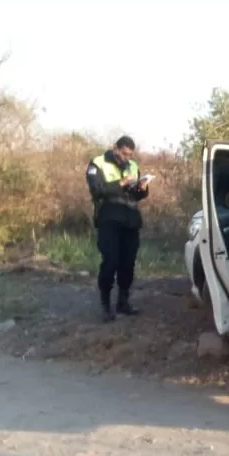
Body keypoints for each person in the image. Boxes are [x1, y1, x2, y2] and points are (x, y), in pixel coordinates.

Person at [86, 135, 150, 322]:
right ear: (115, 148)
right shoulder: (98, 164)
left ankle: (123, 302)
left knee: (128, 264)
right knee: (111, 262)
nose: (126, 158)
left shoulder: (133, 166)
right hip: (109, 221)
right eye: (124, 154)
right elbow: (97, 190)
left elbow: (136, 196)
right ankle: (106, 304)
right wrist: (120, 183)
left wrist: (142, 188)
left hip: (130, 221)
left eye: (130, 154)